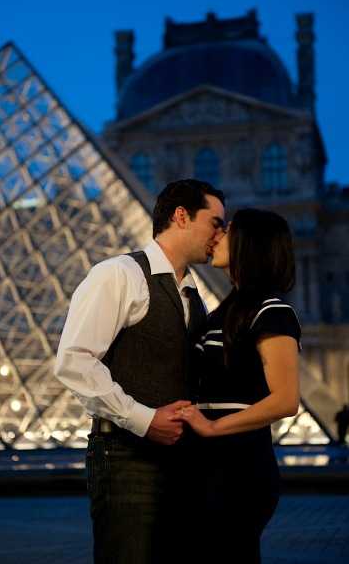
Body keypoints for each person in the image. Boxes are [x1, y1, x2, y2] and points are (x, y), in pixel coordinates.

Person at [55, 179, 225, 564]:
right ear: (181, 216)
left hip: (183, 461)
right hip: (125, 458)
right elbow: (74, 360)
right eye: (215, 222)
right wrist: (144, 419)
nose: (221, 234)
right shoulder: (118, 274)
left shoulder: (193, 294)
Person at [173, 208, 301, 564]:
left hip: (240, 467)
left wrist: (213, 427)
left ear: (250, 244)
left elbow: (286, 400)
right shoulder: (224, 313)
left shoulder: (272, 311)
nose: (216, 236)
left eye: (226, 231)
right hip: (210, 466)